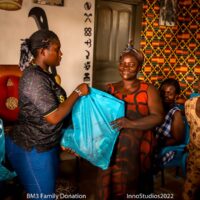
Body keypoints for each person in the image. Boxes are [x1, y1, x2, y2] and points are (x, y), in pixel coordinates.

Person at [5, 30, 89, 199]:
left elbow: (58, 108)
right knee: (43, 196)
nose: (61, 53)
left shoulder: (45, 75)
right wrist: (78, 91)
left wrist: (68, 139)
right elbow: (53, 117)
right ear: (43, 52)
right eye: (57, 49)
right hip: (31, 147)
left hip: (47, 144)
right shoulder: (33, 78)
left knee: (44, 192)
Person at [96, 43, 164, 199]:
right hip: (112, 146)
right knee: (108, 183)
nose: (125, 67)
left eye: (131, 64)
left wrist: (130, 124)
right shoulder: (111, 88)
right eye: (122, 64)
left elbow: (158, 116)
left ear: (139, 67)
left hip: (137, 148)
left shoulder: (149, 89)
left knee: (131, 186)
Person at [154, 78, 185, 165]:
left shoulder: (175, 113)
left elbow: (177, 139)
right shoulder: (157, 108)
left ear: (176, 96)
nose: (165, 95)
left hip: (165, 149)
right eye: (163, 92)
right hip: (153, 143)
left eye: (169, 93)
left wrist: (157, 143)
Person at [183, 85, 200, 200]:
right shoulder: (189, 104)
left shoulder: (190, 103)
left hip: (195, 154)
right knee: (188, 193)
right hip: (195, 156)